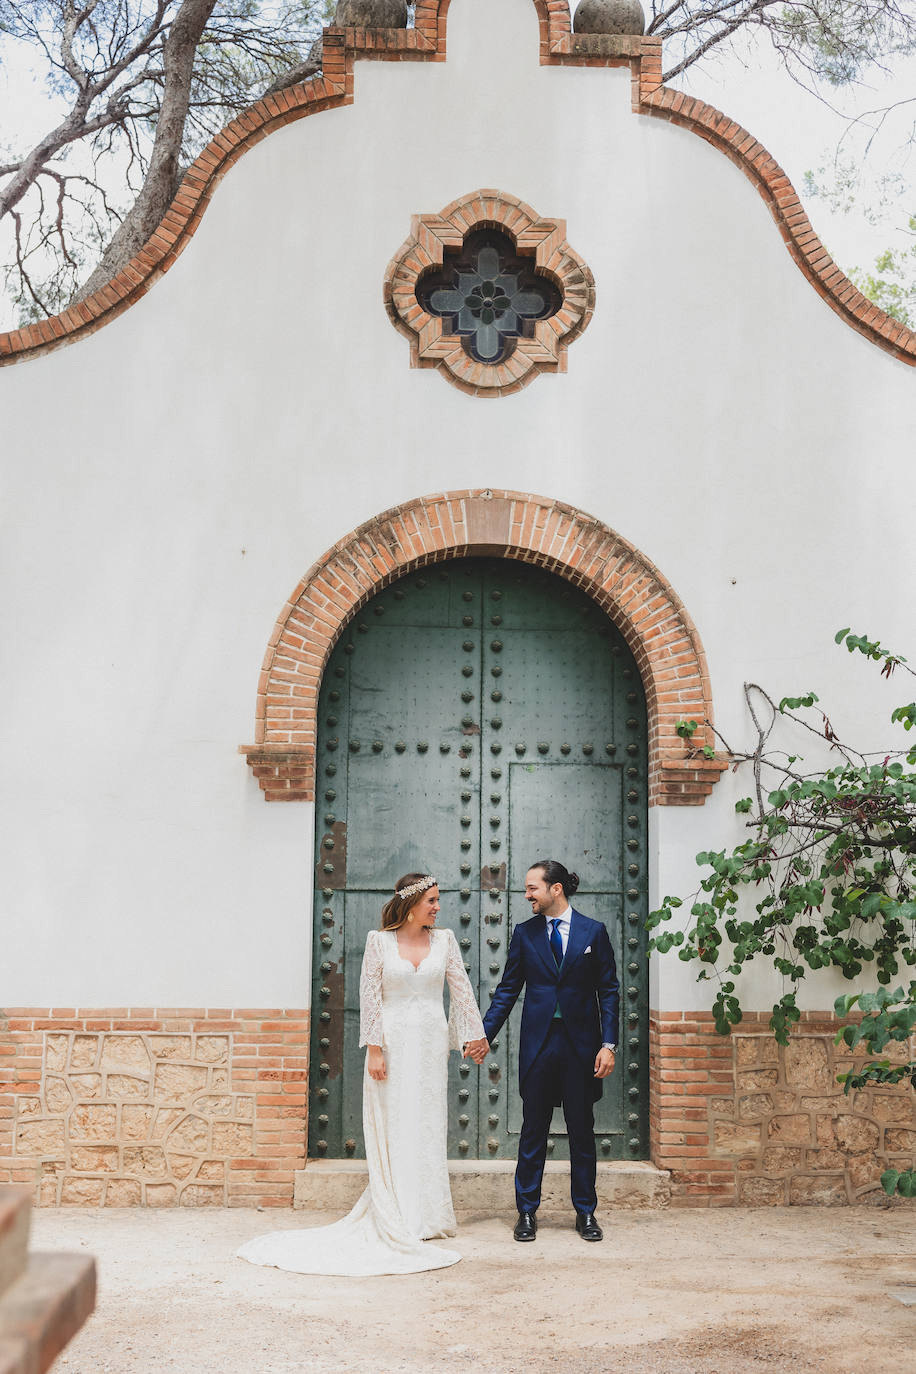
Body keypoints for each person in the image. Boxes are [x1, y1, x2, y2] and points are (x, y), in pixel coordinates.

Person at [237, 874, 488, 1276]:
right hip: (391, 1044)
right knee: (394, 1123)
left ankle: (426, 1216)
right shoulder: (379, 942)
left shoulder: (444, 942)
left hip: (428, 1042)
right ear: (410, 903)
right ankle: (398, 1211)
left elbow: (460, 989)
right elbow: (368, 997)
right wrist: (374, 1049)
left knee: (425, 1122)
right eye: (432, 900)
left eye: (438, 900)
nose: (438, 907)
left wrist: (473, 1035)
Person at [477, 859, 619, 1244]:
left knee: (581, 1131)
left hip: (580, 1046)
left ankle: (586, 1212)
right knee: (533, 1129)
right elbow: (508, 989)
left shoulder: (594, 932)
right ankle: (526, 1212)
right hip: (539, 1044)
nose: (527, 896)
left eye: (532, 889)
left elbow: (608, 990)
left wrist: (609, 1044)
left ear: (556, 889)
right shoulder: (525, 934)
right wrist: (484, 1034)